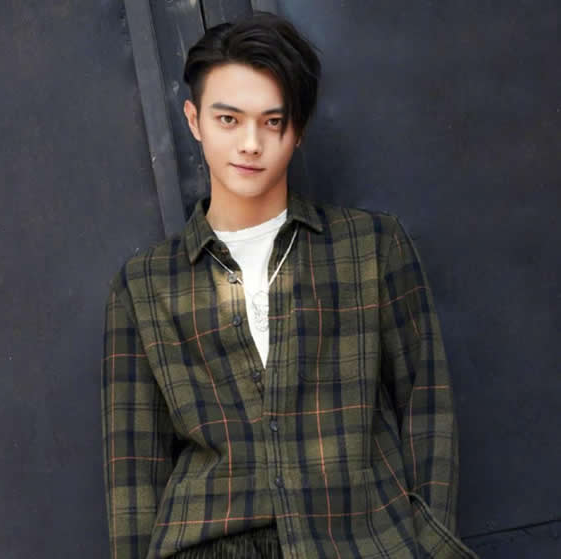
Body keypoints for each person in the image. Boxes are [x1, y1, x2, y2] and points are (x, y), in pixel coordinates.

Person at [101, 11, 479, 559]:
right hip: (210, 543)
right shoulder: (143, 286)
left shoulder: (371, 247)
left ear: (297, 130)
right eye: (228, 120)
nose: (250, 143)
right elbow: (133, 471)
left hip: (361, 541)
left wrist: (429, 542)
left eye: (272, 122)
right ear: (194, 120)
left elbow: (428, 407)